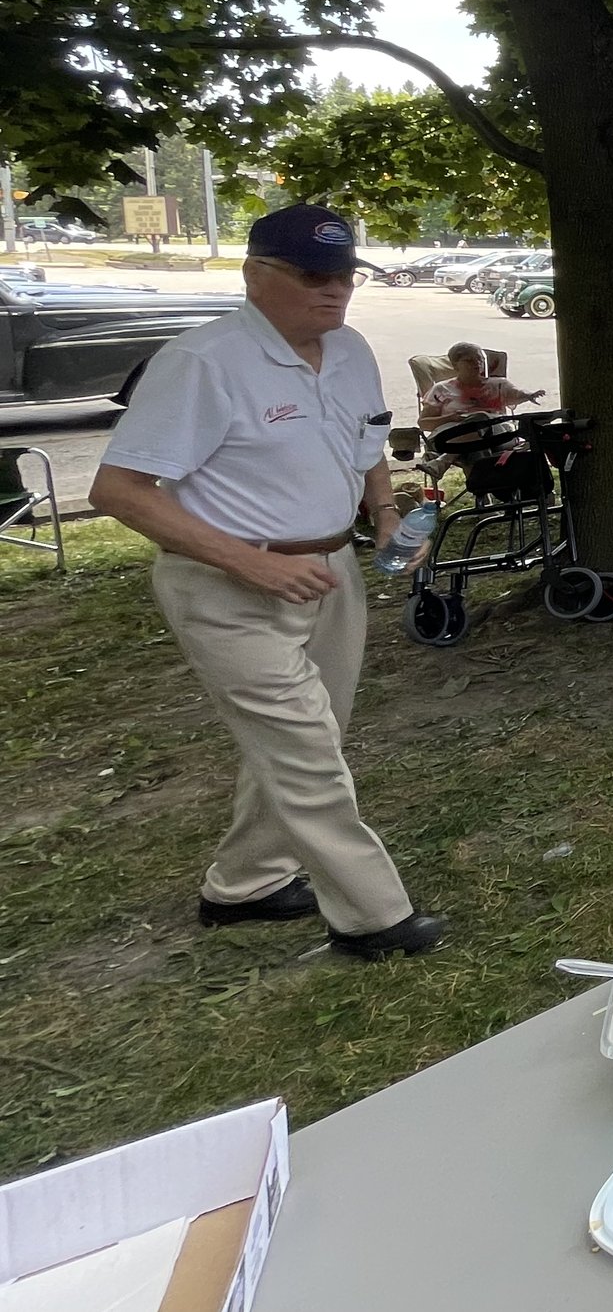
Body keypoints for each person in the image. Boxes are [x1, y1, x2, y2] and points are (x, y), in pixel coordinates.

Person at [87, 204, 448, 960]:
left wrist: (384, 511)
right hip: (228, 585)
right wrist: (250, 562)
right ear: (256, 276)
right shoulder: (202, 362)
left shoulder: (348, 350)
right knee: (308, 748)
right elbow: (119, 490)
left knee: (304, 739)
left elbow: (366, 442)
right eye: (316, 276)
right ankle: (373, 918)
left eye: (347, 276)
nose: (336, 292)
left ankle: (244, 883)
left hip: (329, 572)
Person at [416, 341, 541, 433]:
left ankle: (443, 460)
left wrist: (529, 395)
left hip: (495, 431)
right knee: (473, 439)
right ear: (455, 365)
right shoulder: (441, 390)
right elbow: (424, 423)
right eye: (469, 361)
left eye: (480, 359)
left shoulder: (499, 385)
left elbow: (517, 394)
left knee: (479, 432)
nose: (477, 364)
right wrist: (451, 418)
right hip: (455, 432)